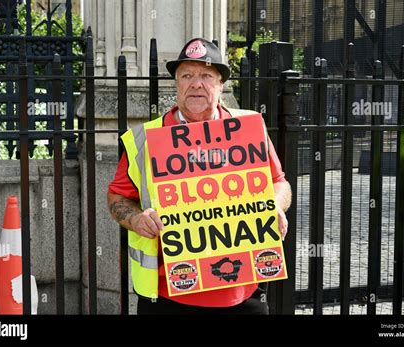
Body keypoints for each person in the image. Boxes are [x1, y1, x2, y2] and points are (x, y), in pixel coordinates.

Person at [107, 38, 292, 314]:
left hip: (244, 296)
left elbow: (280, 182)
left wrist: (275, 205)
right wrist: (135, 218)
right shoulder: (145, 139)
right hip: (170, 298)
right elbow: (117, 196)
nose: (196, 83)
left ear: (220, 85)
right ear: (177, 84)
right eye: (187, 75)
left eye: (206, 75)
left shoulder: (249, 128)